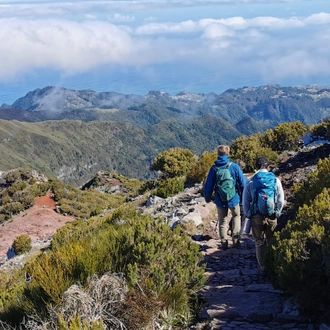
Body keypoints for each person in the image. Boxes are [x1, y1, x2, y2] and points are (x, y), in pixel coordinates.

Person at [242, 157, 285, 272]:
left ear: (256, 167)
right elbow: (281, 199)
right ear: (268, 167)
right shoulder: (276, 181)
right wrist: (277, 212)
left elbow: (245, 201)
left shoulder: (250, 181)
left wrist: (248, 215)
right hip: (271, 215)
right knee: (272, 240)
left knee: (259, 242)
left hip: (257, 216)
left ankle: (263, 266)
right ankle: (273, 265)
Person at [204, 145, 246, 250]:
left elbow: (208, 185)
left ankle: (224, 243)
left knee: (222, 220)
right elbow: (243, 183)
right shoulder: (234, 166)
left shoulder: (214, 168)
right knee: (236, 217)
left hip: (220, 199)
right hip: (234, 198)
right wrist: (243, 196)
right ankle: (236, 241)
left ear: (218, 154)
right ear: (228, 153)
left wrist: (207, 198)